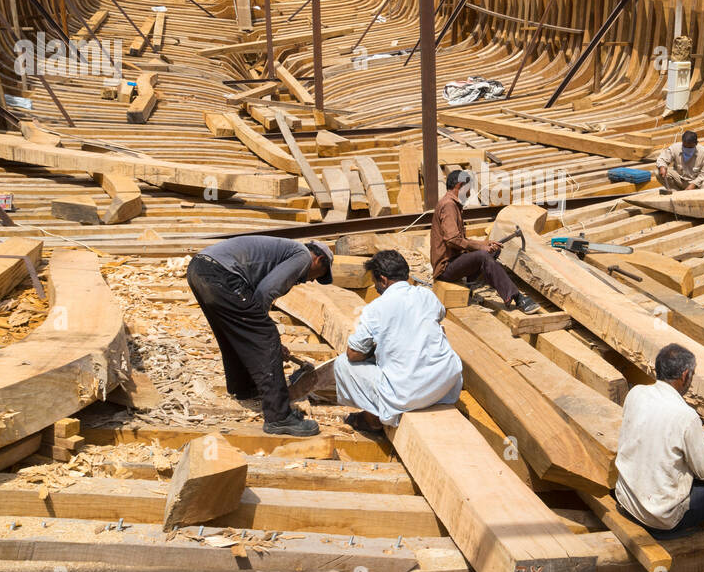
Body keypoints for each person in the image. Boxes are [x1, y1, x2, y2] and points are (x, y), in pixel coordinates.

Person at [186, 235, 332, 436]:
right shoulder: (302, 257)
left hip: (200, 268)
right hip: (220, 273)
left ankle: (243, 387)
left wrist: (256, 328)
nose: (312, 279)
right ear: (318, 260)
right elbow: (265, 292)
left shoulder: (283, 251)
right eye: (318, 275)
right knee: (266, 336)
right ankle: (279, 417)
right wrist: (264, 333)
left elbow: (253, 303)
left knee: (235, 332)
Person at [613, 343, 704, 540]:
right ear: (685, 375)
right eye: (692, 375)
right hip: (660, 518)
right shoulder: (686, 416)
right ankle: (678, 528)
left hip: (627, 502)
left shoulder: (636, 393)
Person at [333, 250, 464, 433]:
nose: (377, 288)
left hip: (407, 392)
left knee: (342, 364)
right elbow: (439, 315)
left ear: (384, 280)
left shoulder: (376, 308)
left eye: (376, 282)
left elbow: (353, 354)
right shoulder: (427, 296)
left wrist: (375, 349)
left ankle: (372, 419)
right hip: (443, 385)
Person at [431, 169, 540, 314]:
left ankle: (471, 282)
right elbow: (452, 240)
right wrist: (480, 248)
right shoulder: (449, 205)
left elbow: (459, 240)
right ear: (460, 185)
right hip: (446, 268)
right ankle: (517, 298)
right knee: (483, 256)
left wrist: (484, 244)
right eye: (468, 190)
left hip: (454, 260)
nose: (469, 195)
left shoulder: (452, 204)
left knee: (493, 249)